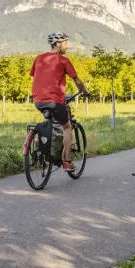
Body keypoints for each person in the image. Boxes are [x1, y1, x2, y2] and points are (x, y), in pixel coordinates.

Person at [30, 32, 90, 172]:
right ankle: (67, 161)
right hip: (55, 100)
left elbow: (36, 75)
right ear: (58, 44)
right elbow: (76, 80)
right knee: (67, 126)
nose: (67, 46)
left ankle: (40, 143)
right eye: (65, 43)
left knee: (50, 122)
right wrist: (84, 91)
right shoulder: (63, 60)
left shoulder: (39, 58)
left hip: (38, 100)